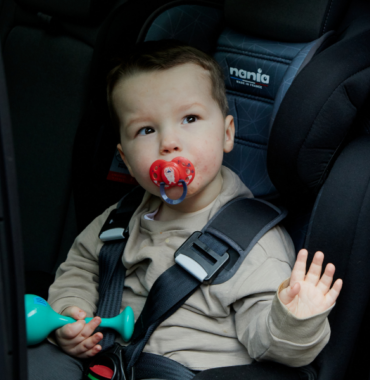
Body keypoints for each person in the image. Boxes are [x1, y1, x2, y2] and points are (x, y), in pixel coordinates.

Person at [28, 40, 343, 379]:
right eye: (146, 130)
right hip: (105, 363)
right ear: (127, 161)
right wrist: (68, 314)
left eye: (189, 118)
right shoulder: (120, 218)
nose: (169, 142)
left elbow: (267, 343)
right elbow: (81, 267)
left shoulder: (255, 243)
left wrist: (295, 318)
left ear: (226, 134)